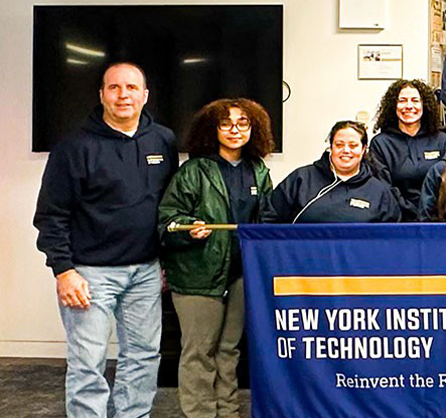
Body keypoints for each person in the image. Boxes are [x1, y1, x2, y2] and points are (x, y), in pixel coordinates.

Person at [34, 62, 178, 417]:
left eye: (131, 87)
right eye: (114, 87)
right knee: (88, 363)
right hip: (89, 274)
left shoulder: (162, 140)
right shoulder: (73, 148)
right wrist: (64, 271)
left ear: (145, 95)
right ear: (102, 95)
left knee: (144, 357)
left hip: (145, 271)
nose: (123, 95)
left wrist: (165, 261)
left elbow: (168, 206)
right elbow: (51, 215)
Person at [157, 98, 275, 418]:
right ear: (213, 129)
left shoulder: (258, 171)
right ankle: (201, 413)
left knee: (229, 350)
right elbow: (168, 220)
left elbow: (267, 220)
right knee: (199, 351)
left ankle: (228, 411)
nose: (235, 130)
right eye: (226, 124)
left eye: (243, 123)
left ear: (254, 129)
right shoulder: (193, 170)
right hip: (197, 274)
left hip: (240, 274)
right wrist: (188, 228)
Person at [265, 121, 402, 223]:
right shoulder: (301, 179)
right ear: (331, 148)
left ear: (363, 150)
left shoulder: (379, 192)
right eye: (339, 145)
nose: (346, 150)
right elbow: (270, 219)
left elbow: (390, 238)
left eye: (353, 145)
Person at [369, 79, 446, 221]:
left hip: (437, 219)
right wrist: (411, 213)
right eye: (402, 101)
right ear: (393, 105)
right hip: (398, 219)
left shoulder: (442, 140)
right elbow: (384, 188)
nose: (409, 106)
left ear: (424, 105)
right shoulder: (380, 144)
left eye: (415, 101)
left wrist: (428, 214)